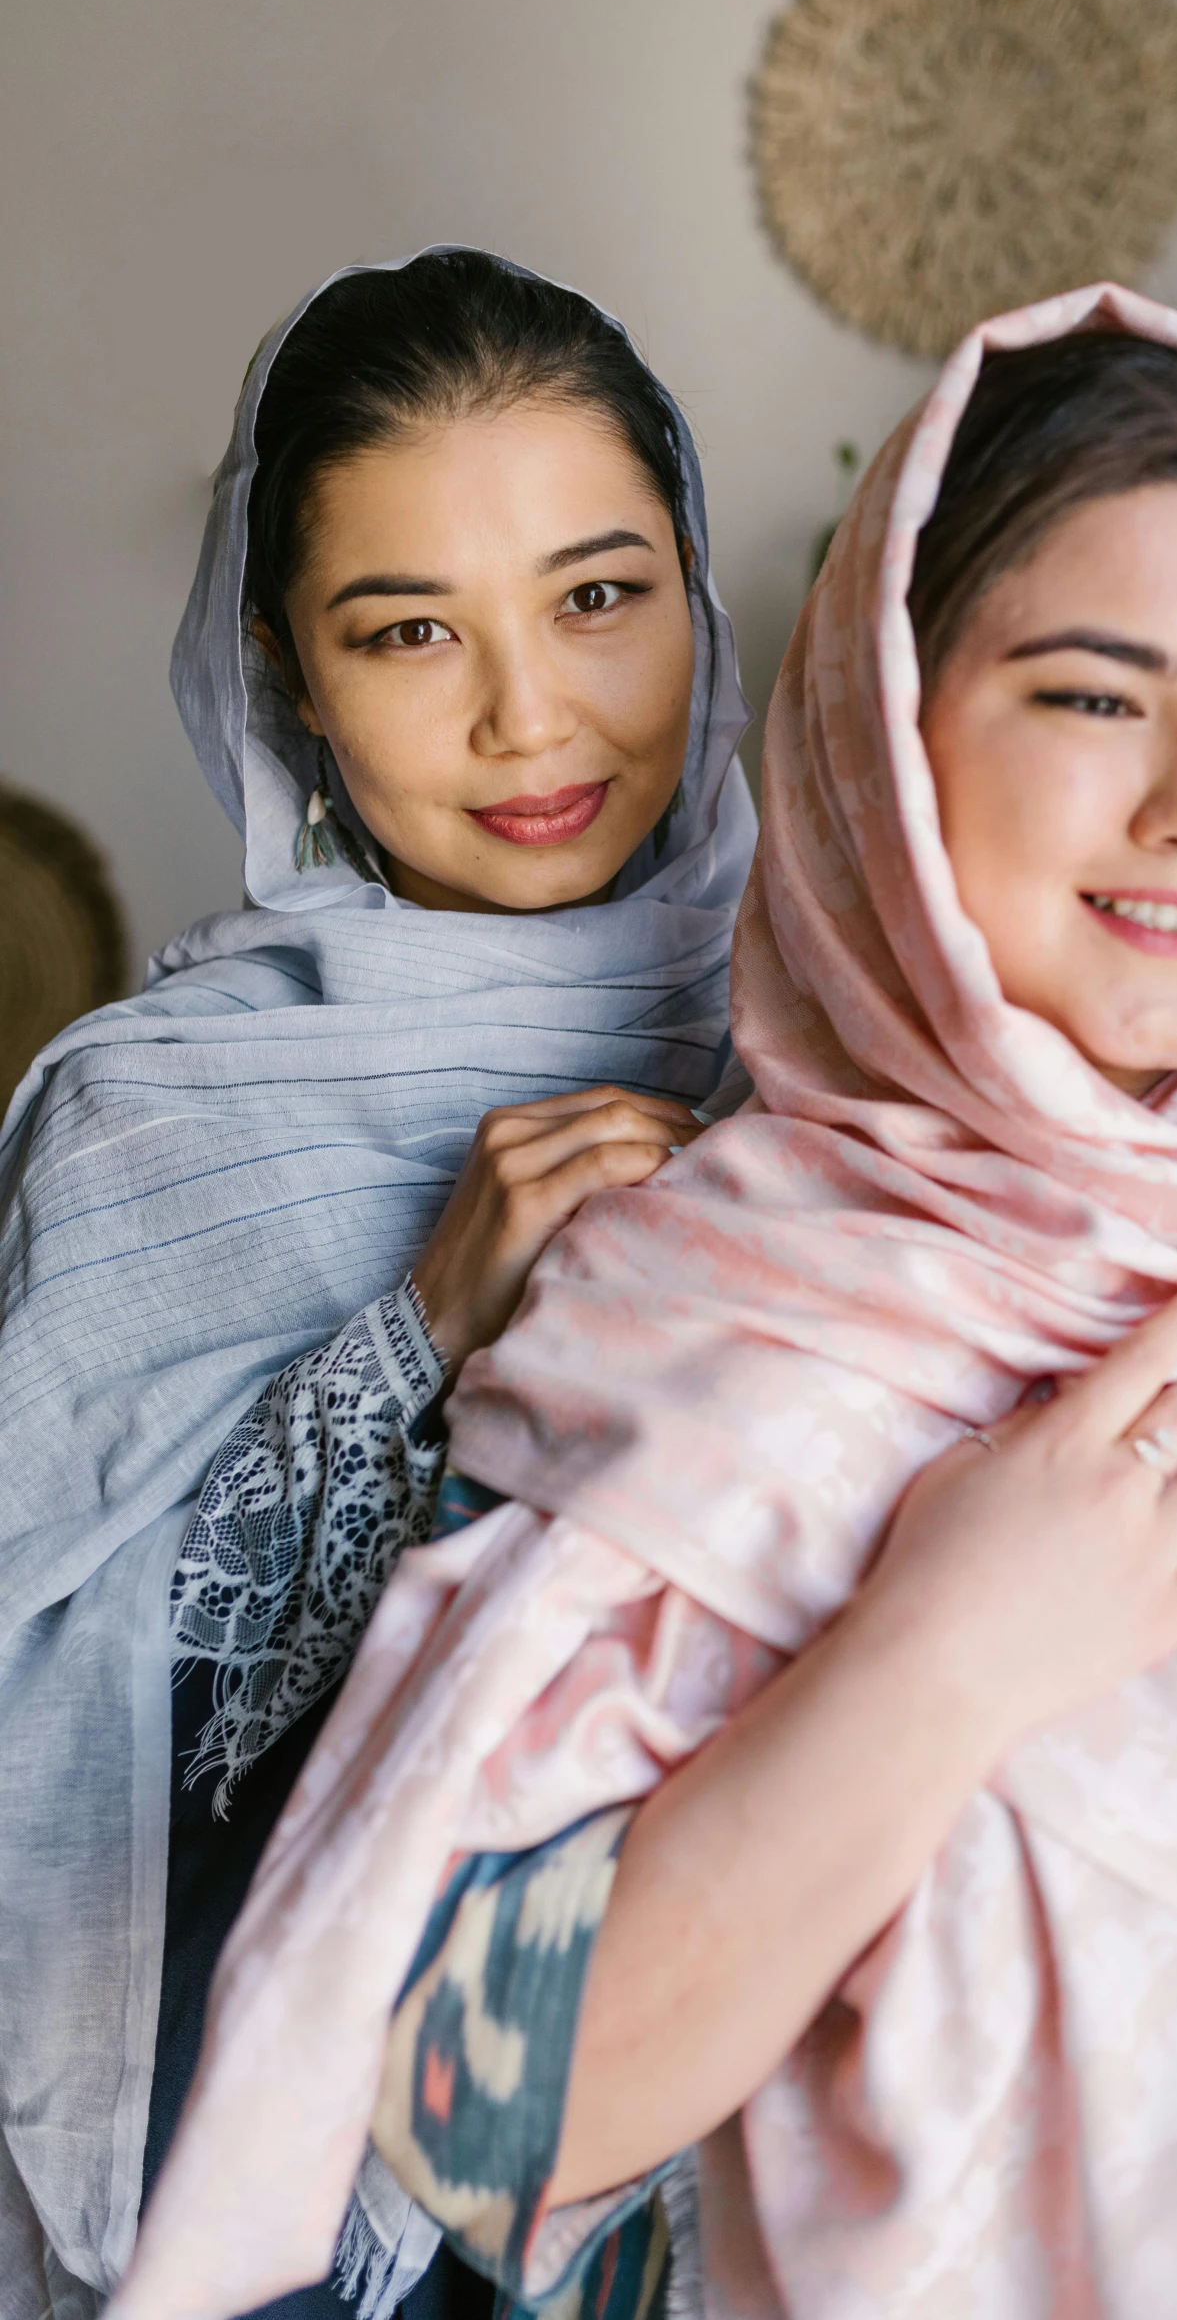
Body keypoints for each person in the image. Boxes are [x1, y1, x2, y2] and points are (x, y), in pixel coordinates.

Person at [115, 288, 1177, 2320]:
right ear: (878, 731)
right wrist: (939, 1657)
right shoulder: (686, 1294)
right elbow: (455, 2110)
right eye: (1091, 695)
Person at [0, 243, 759, 2318]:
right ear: (288, 680)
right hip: (318, 2216)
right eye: (409, 630)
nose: (530, 714)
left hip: (808, 2150)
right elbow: (75, 1743)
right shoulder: (158, 1116)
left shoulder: (881, 1013)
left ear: (697, 589)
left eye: (599, 596)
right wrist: (415, 1334)